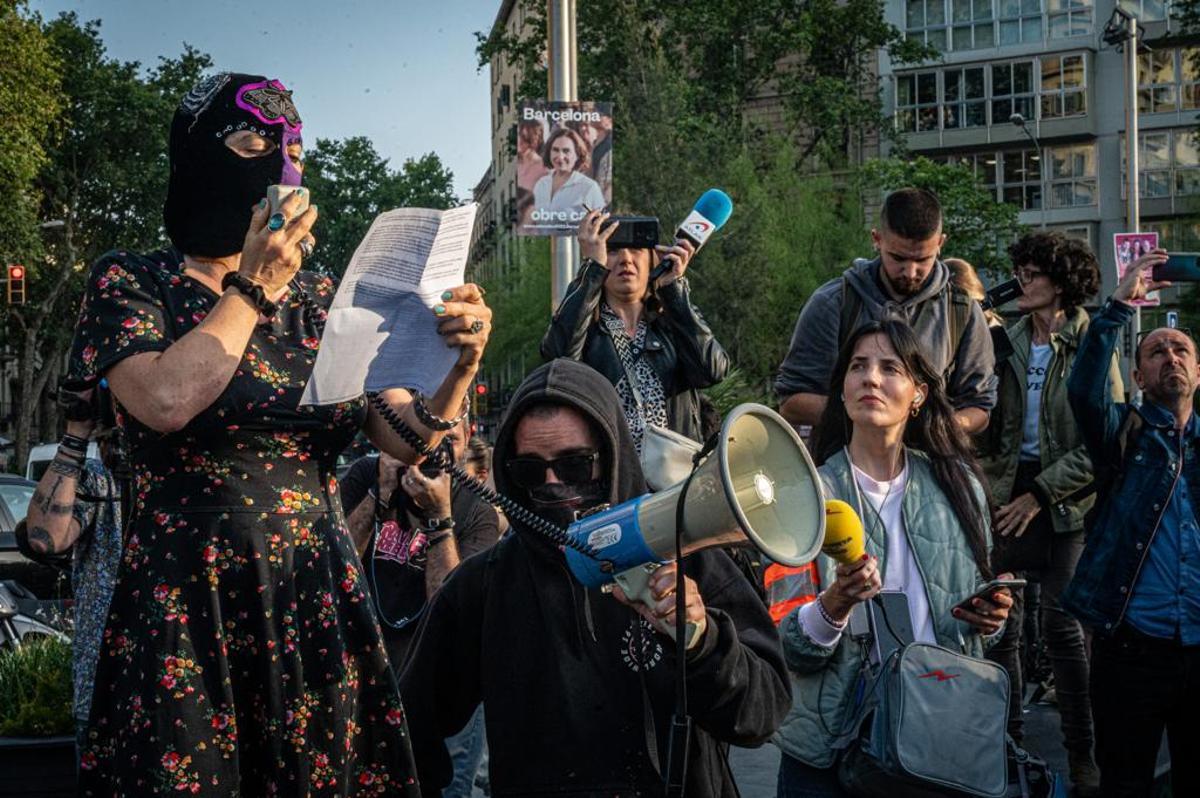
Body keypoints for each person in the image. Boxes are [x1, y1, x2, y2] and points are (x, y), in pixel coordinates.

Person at [66, 72, 491, 795]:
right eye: (253, 141)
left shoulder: (320, 298)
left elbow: (400, 435)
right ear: (200, 154)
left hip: (309, 590)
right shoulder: (132, 281)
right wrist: (254, 288)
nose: (280, 164)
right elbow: (167, 399)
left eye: (291, 145)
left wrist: (460, 367)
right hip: (185, 598)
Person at [399, 358, 791, 796]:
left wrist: (702, 643)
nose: (552, 485)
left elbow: (762, 714)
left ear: (613, 455)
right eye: (530, 471)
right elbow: (409, 727)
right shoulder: (485, 586)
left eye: (575, 466)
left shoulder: (688, 556)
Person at [775, 319, 1012, 797]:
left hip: (936, 733)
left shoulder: (960, 487)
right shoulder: (802, 497)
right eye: (858, 367)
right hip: (830, 743)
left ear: (919, 393)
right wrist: (835, 603)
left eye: (890, 368)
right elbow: (786, 641)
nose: (871, 379)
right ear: (841, 391)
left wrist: (993, 617)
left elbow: (975, 633)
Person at [975, 232, 1118, 794]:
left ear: (1059, 281)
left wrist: (1042, 495)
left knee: (1064, 629)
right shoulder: (1004, 338)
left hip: (1065, 502)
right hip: (1007, 492)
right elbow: (988, 425)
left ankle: (1084, 756)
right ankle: (1007, 744)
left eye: (1032, 273)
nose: (1023, 282)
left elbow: (1100, 441)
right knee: (1000, 625)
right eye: (1020, 272)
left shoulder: (1089, 342)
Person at [1064, 247, 1200, 797]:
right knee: (1124, 783)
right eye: (1156, 351)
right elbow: (1083, 390)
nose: (1170, 356)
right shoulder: (1124, 436)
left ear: (1198, 370)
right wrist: (1117, 307)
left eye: (1181, 349)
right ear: (1139, 376)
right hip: (1131, 649)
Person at [775, 188, 997, 434]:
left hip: (931, 463)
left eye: (923, 259)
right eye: (898, 258)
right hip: (844, 463)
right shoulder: (832, 303)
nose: (911, 272)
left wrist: (933, 429)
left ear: (941, 243)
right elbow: (791, 403)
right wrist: (868, 415)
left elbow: (980, 407)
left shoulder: (962, 312)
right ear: (877, 239)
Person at [540, 208, 730, 450]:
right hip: (611, 476)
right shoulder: (583, 325)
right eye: (613, 250)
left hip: (676, 477)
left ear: (652, 257)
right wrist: (591, 272)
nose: (626, 259)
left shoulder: (674, 320)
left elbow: (711, 371)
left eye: (636, 250)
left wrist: (673, 289)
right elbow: (558, 362)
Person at [340, 416, 500, 669]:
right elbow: (334, 567)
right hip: (354, 652)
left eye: (449, 441)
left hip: (422, 665)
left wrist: (439, 517)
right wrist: (379, 492)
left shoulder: (478, 513)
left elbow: (454, 614)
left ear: (467, 439)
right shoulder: (366, 474)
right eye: (423, 439)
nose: (433, 452)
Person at [16, 388, 121, 750]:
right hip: (106, 688)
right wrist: (76, 433)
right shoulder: (100, 481)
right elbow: (47, 538)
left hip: (186, 685)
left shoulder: (191, 483)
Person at [528, 127, 605, 233]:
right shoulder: (541, 184)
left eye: (566, 151)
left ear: (578, 154)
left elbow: (601, 227)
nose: (560, 156)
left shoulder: (589, 187)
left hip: (577, 248)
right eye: (555, 150)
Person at [515, 117, 548, 192]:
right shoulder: (519, 163)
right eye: (518, 135)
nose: (518, 139)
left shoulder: (543, 169)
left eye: (522, 136)